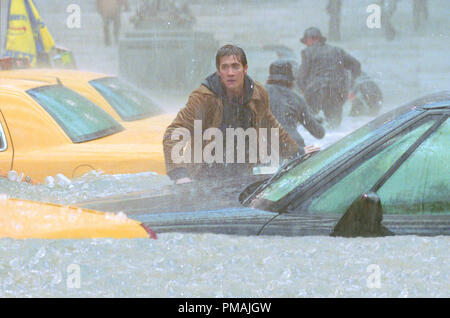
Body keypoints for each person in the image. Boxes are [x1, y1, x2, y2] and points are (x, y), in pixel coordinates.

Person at [163, 44, 319, 184]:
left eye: (235, 66)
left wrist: (297, 152)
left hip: (242, 172)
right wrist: (180, 174)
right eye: (225, 67)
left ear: (245, 69)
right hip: (205, 174)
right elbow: (174, 132)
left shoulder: (257, 93)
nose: (230, 72)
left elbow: (271, 126)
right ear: (218, 71)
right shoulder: (204, 98)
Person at [297, 27, 361, 128]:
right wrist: (351, 85)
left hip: (315, 91)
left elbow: (301, 76)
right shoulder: (337, 50)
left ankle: (316, 141)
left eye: (306, 41)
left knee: (308, 123)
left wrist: (302, 91)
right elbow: (356, 65)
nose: (306, 44)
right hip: (336, 91)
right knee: (334, 125)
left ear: (315, 39)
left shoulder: (307, 52)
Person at [265, 59, 325, 148]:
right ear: (291, 80)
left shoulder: (257, 93)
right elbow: (319, 133)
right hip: (293, 146)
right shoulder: (297, 99)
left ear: (269, 78)